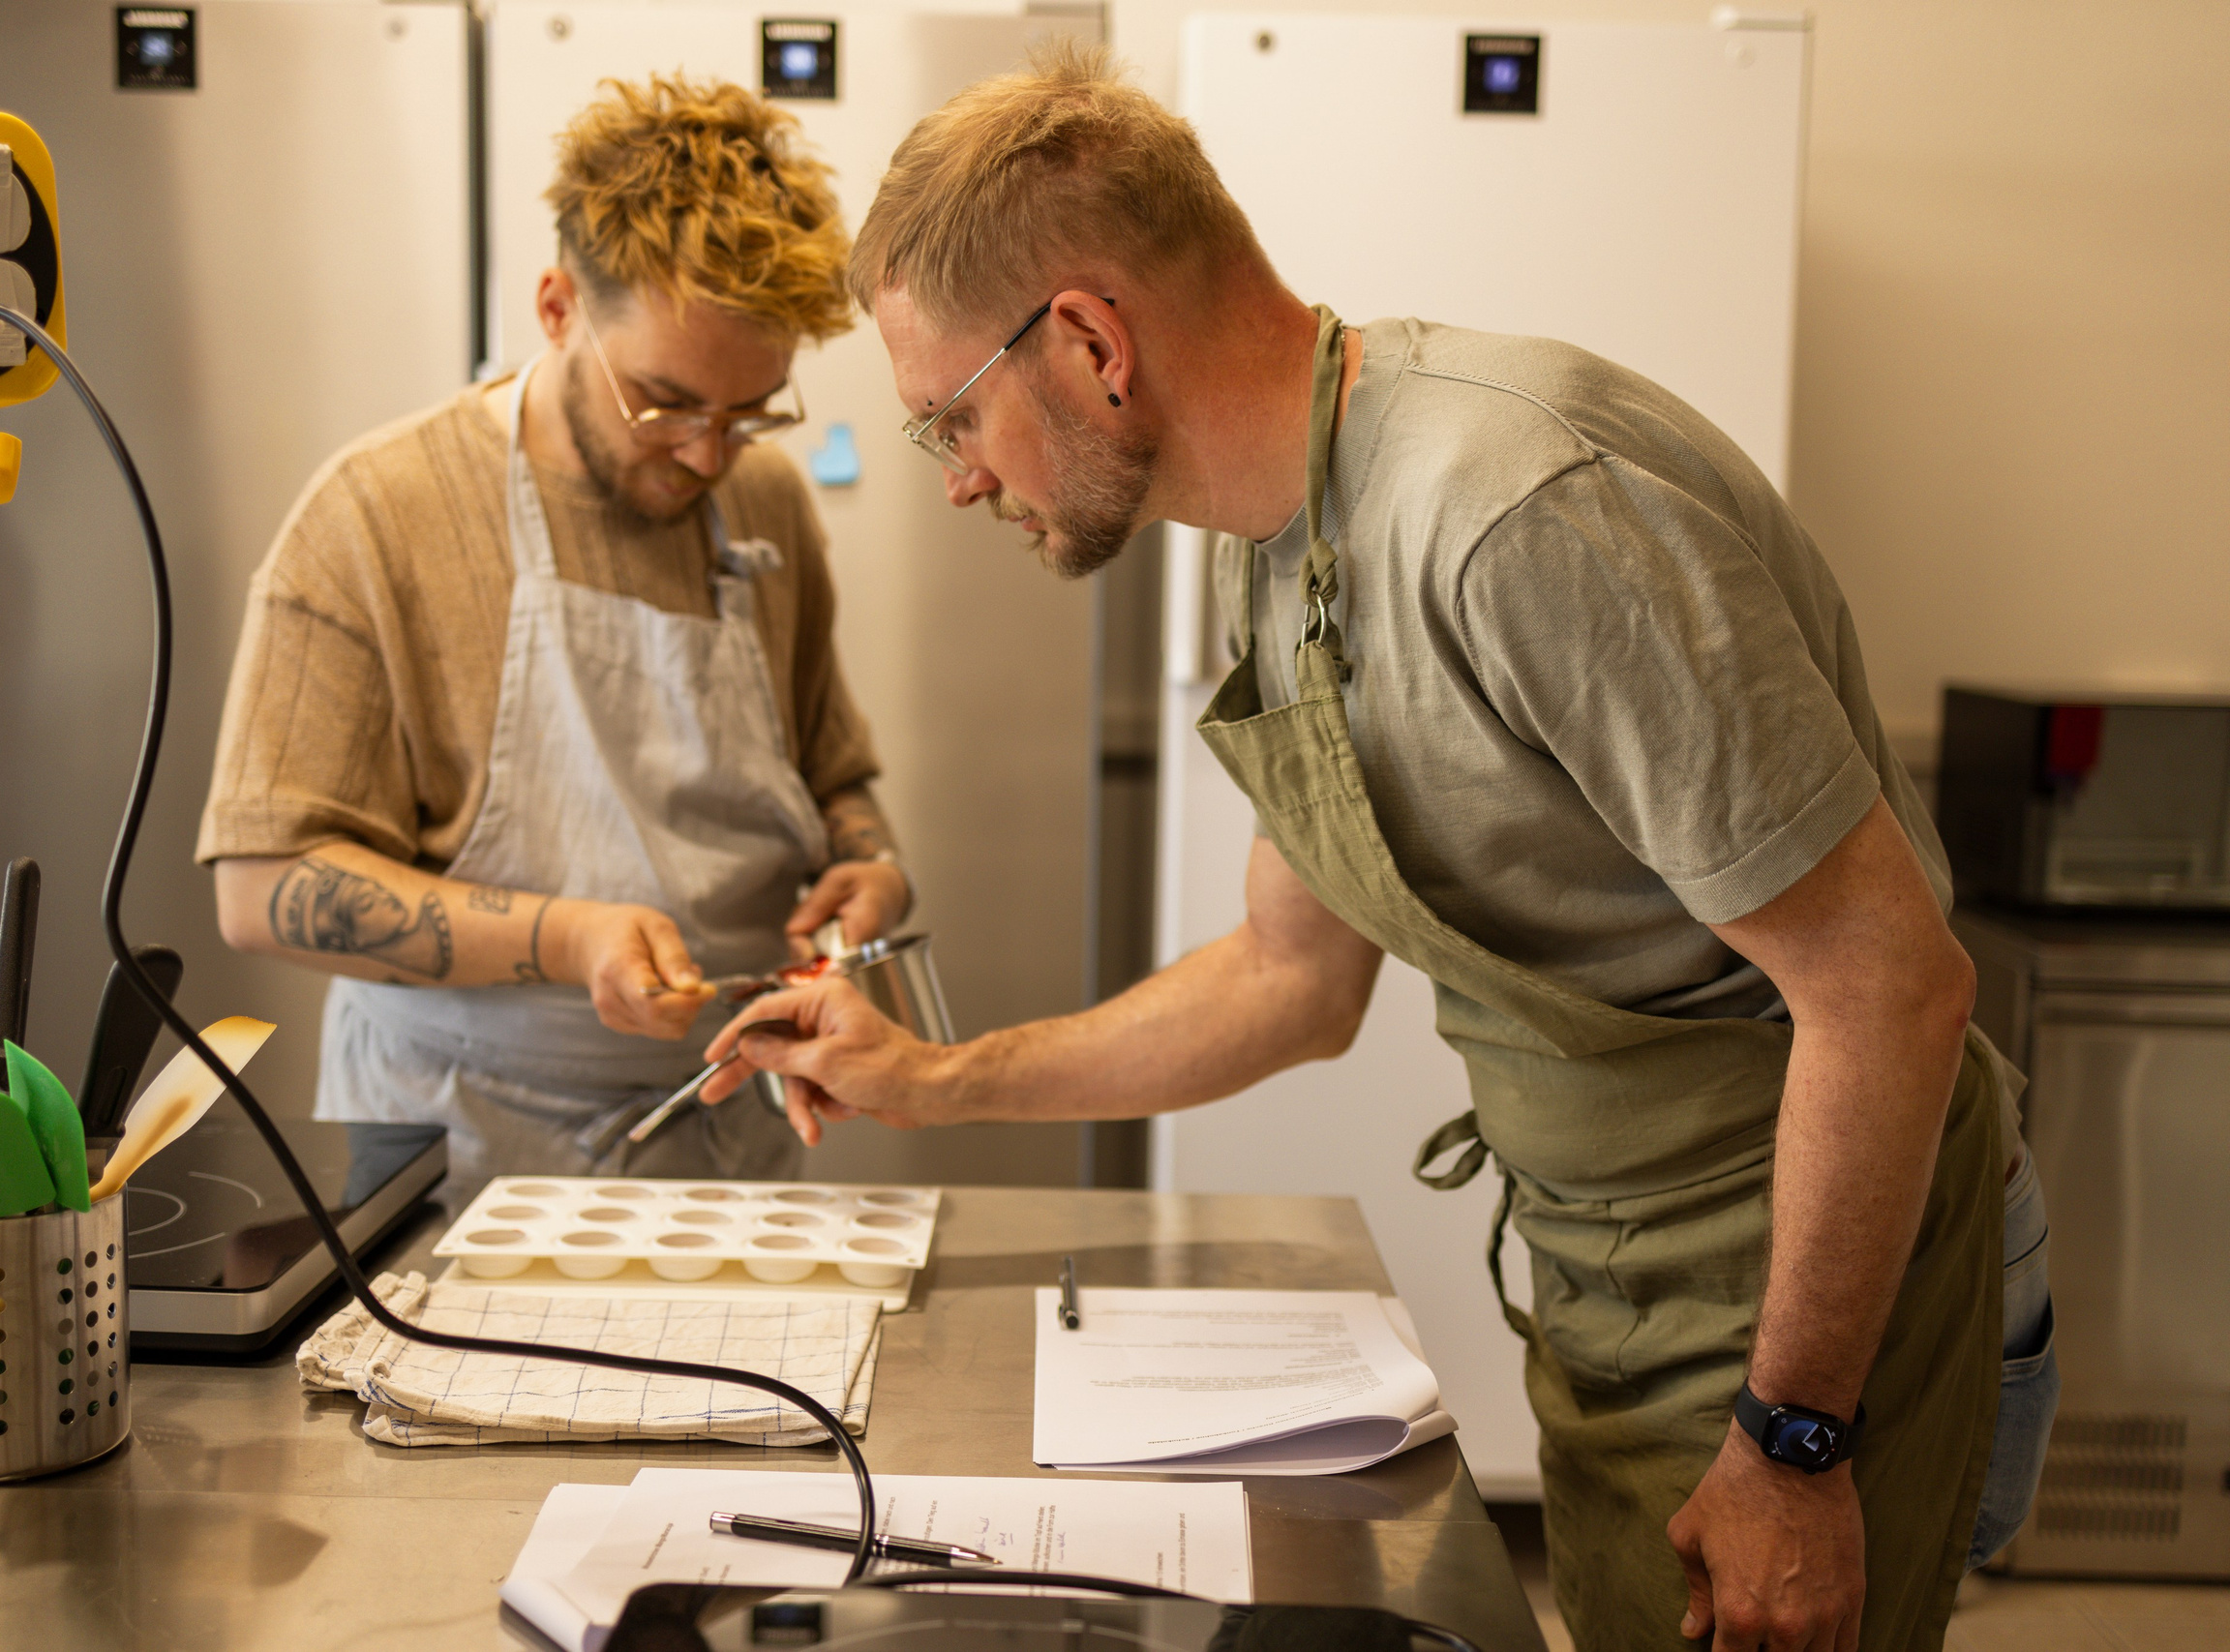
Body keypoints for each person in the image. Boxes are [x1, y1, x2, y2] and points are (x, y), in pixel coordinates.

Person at [706, 45, 2058, 1652]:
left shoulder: (1515, 515)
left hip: (1810, 1282)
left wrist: (1794, 1441)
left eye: (949, 422)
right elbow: (1289, 979)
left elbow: (1889, 987)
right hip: (1612, 1264)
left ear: (1086, 340)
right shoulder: (1274, 547)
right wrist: (927, 1078)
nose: (961, 478)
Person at [197, 75, 909, 1211]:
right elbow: (262, 885)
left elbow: (833, 774)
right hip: (453, 1142)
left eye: (750, 411)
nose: (707, 454)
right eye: (664, 401)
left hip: (722, 1127)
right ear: (556, 308)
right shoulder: (380, 511)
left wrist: (866, 864)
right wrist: (567, 939)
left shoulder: (767, 503)